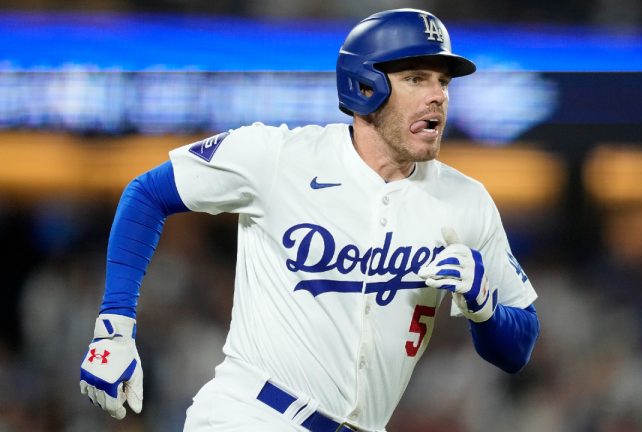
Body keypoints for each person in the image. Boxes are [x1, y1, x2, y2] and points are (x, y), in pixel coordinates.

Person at [79, 8, 540, 432]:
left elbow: (518, 347)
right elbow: (147, 193)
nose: (438, 96)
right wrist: (114, 324)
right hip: (251, 414)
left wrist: (484, 309)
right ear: (365, 85)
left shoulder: (465, 201)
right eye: (417, 78)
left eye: (443, 82)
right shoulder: (280, 156)